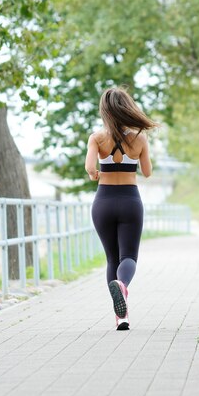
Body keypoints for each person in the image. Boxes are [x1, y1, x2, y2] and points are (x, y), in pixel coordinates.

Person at [85, 87, 158, 330]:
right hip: (130, 201)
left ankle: (122, 316)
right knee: (128, 257)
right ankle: (123, 285)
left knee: (111, 259)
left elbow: (89, 168)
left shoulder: (97, 138)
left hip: (103, 202)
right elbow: (147, 173)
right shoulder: (139, 138)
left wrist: (95, 172)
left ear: (105, 111)